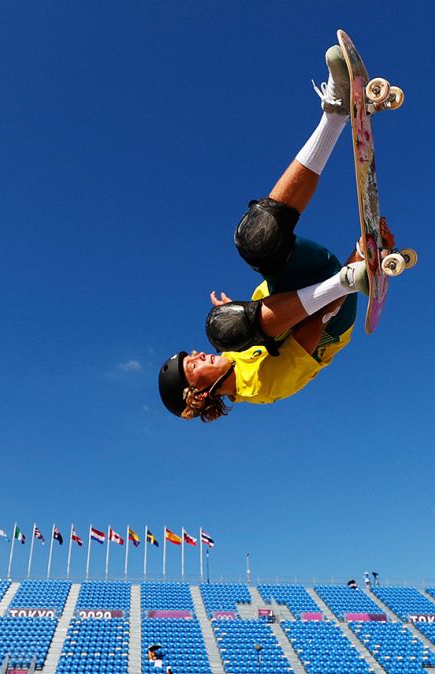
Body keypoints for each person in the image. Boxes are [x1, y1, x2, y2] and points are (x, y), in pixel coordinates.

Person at [157, 45, 387, 423]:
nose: (195, 355)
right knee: (226, 328)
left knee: (254, 243)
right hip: (333, 306)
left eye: (189, 355)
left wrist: (246, 314)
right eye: (190, 366)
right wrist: (357, 263)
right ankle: (347, 278)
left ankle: (335, 114)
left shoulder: (235, 347)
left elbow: (252, 322)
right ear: (197, 393)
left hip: (299, 281)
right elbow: (316, 325)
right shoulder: (263, 387)